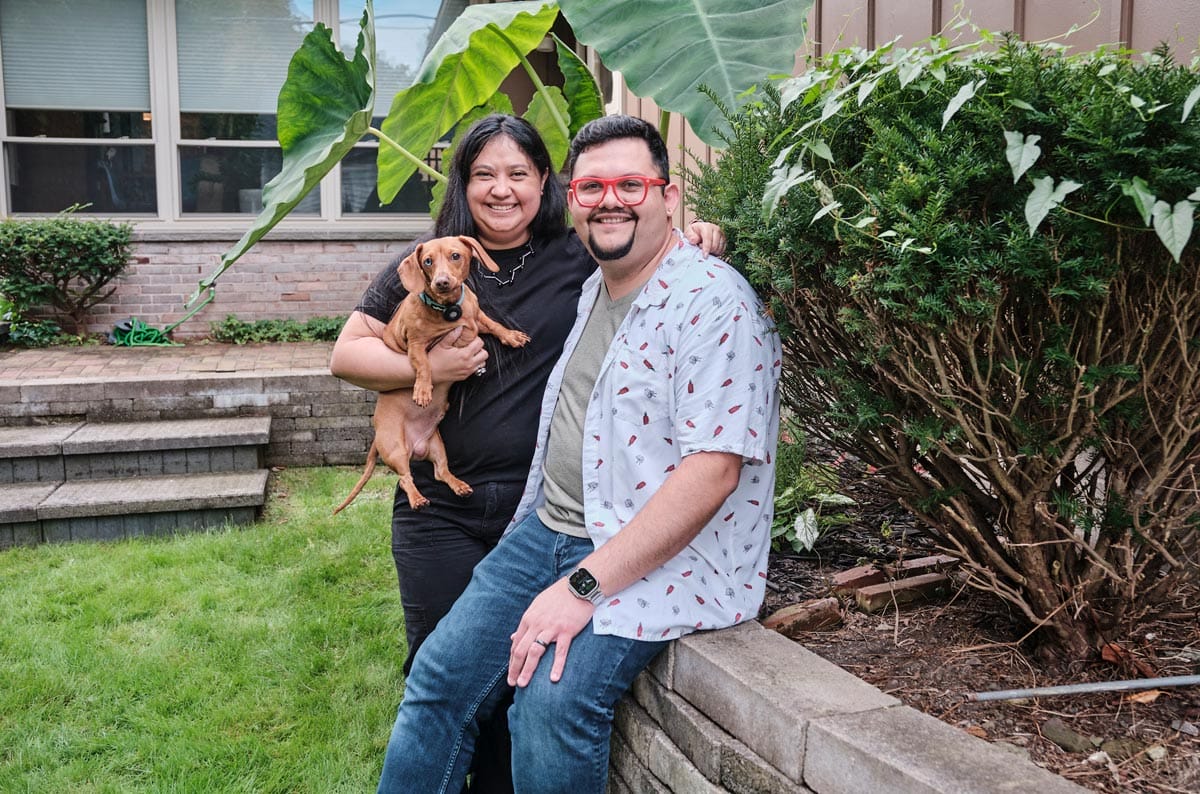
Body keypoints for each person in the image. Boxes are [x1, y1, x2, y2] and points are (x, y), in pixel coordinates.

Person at [375, 114, 781, 794]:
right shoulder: (594, 286)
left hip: (648, 554)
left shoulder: (714, 302)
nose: (610, 199)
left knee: (550, 707)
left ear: (669, 195)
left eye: (631, 182)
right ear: (573, 196)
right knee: (438, 681)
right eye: (592, 186)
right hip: (547, 529)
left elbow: (714, 470)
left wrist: (583, 586)